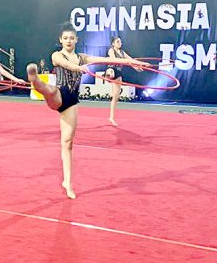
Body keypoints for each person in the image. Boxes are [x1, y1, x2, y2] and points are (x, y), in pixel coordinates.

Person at [26, 23, 144, 199]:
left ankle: (67, 182)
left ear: (77, 40)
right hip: (60, 94)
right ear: (60, 40)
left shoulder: (83, 57)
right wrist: (77, 68)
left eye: (71, 38)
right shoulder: (57, 55)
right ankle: (34, 79)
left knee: (68, 143)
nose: (68, 41)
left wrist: (131, 62)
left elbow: (108, 60)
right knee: (49, 90)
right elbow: (64, 63)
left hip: (72, 101)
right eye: (65, 38)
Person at [104, 36, 140, 126]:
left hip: (118, 73)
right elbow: (114, 59)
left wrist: (138, 67)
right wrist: (125, 61)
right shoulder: (111, 51)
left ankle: (111, 118)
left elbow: (131, 60)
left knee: (116, 96)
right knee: (111, 72)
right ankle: (108, 76)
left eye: (120, 41)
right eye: (117, 41)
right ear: (113, 44)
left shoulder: (123, 53)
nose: (120, 43)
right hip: (112, 69)